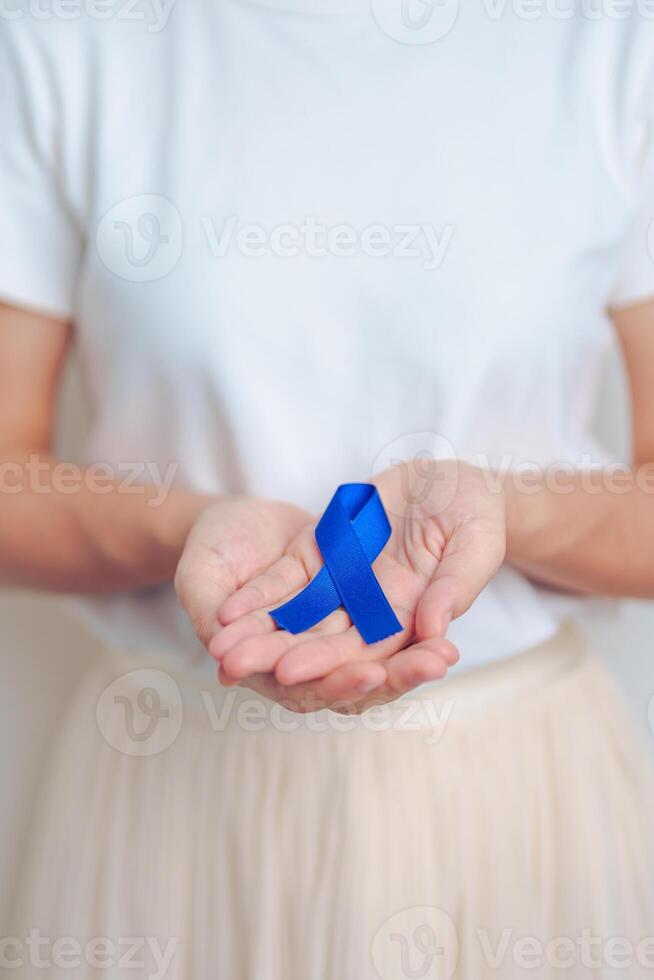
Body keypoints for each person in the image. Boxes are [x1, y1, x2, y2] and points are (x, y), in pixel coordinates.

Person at [1, 3, 653, 977]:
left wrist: (505, 513)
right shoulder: (65, 35)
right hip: (172, 808)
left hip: (521, 812)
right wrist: (186, 527)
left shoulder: (615, 38)